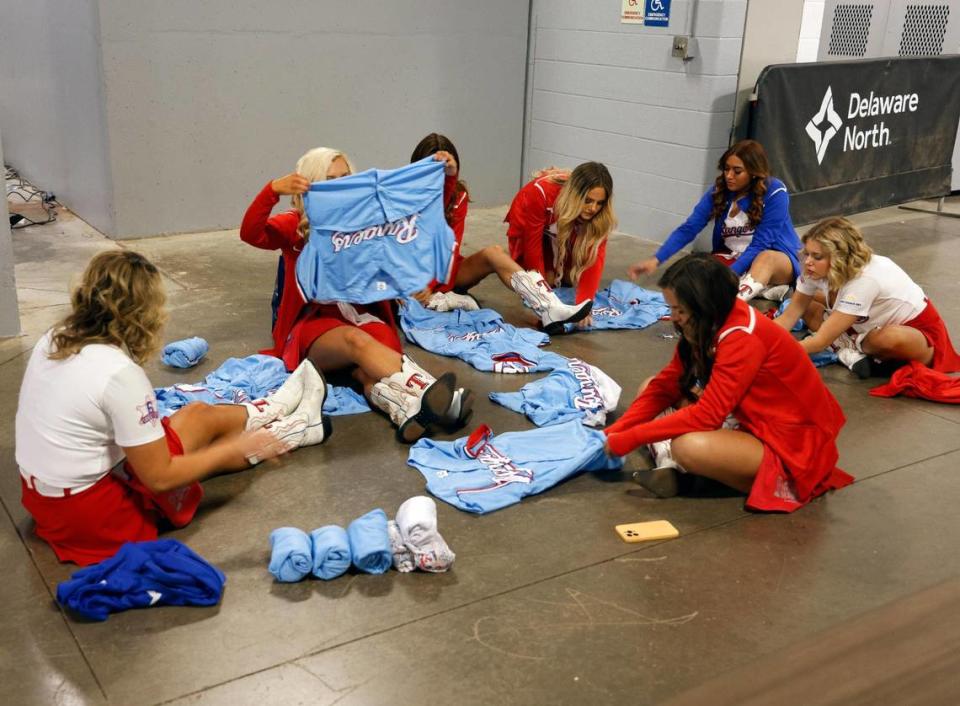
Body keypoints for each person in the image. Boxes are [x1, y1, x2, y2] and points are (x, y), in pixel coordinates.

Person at [15, 251, 329, 566]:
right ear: (143, 312)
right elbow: (159, 478)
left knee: (196, 416)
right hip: (91, 518)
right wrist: (234, 446)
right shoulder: (119, 375)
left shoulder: (54, 338)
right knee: (203, 440)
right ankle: (289, 431)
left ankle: (273, 409)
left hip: (43, 502)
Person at [240, 146, 471, 442]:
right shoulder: (296, 223)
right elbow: (251, 233)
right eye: (329, 178)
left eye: (345, 177)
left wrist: (447, 178)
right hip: (312, 325)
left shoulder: (365, 217)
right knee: (357, 341)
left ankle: (406, 410)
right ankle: (432, 392)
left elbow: (420, 214)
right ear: (310, 183)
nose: (338, 184)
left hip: (360, 314)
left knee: (370, 363)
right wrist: (271, 190)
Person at [604, 254, 853, 512]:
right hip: (749, 418)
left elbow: (707, 416)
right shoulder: (709, 321)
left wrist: (631, 438)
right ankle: (678, 468)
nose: (673, 317)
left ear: (702, 305)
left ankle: (695, 474)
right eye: (671, 308)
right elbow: (666, 384)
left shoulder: (740, 337)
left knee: (688, 446)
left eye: (679, 309)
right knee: (651, 386)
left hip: (791, 442)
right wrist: (615, 432)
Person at [408, 133, 591, 334]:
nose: (438, 178)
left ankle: (549, 306)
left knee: (494, 252)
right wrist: (417, 285)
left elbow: (451, 246)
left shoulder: (458, 195)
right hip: (409, 275)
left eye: (445, 171)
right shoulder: (401, 198)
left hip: (445, 271)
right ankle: (443, 300)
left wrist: (431, 284)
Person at [775, 216, 960, 378]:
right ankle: (846, 347)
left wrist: (774, 352)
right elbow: (789, 315)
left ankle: (845, 347)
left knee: (888, 338)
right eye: (807, 253)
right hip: (862, 327)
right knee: (804, 305)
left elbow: (820, 340)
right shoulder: (813, 269)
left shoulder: (865, 279)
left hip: (918, 336)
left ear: (840, 257)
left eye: (817, 256)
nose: (807, 262)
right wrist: (756, 336)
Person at [628, 139, 801, 302]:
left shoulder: (775, 191)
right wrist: (656, 259)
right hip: (734, 257)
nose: (729, 176)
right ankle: (765, 289)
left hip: (777, 259)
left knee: (765, 258)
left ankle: (734, 303)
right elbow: (690, 228)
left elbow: (761, 244)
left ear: (754, 173)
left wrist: (726, 277)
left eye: (737, 171)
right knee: (692, 271)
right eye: (726, 169)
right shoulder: (720, 191)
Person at [504, 161, 617, 329]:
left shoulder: (601, 216)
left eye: (599, 203)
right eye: (587, 200)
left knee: (565, 281)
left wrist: (585, 304)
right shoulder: (540, 193)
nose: (593, 208)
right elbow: (532, 248)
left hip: (564, 218)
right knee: (540, 281)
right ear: (575, 194)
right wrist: (543, 301)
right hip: (528, 219)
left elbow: (594, 259)